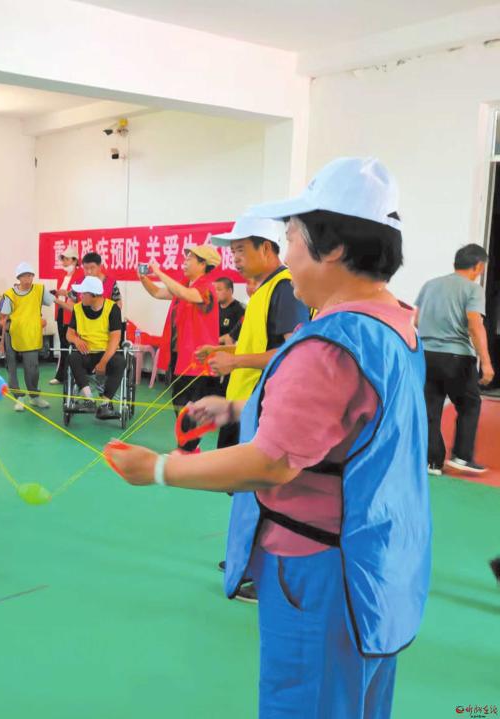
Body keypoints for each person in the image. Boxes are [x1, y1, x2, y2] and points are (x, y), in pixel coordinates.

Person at [108, 158, 430, 719]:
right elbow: (342, 420)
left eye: (292, 240)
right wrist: (238, 406)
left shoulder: (330, 343)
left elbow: (270, 463)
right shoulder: (394, 324)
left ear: (333, 248)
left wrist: (158, 468)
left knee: (308, 702)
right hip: (377, 564)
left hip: (320, 572)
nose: (287, 256)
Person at [197, 215, 310, 602]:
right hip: (246, 406)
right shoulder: (264, 291)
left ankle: (262, 574)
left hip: (266, 408)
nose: (236, 258)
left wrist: (235, 362)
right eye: (233, 252)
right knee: (247, 491)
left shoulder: (284, 289)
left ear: (267, 247)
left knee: (263, 491)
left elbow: (292, 352)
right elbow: (261, 346)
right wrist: (226, 351)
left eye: (241, 250)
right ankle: (246, 558)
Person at [415, 244, 494, 475]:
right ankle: (462, 456)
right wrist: (486, 362)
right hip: (457, 356)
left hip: (426, 354)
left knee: (431, 407)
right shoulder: (473, 289)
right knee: (469, 404)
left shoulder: (430, 285)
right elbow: (475, 325)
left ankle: (432, 462)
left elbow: (416, 320)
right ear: (478, 266)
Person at [138, 245, 221, 453]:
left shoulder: (206, 288)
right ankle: (188, 447)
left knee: (189, 406)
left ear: (203, 264)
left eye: (190, 258)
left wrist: (159, 272)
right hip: (180, 355)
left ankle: (188, 449)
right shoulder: (184, 285)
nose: (185, 261)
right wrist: (143, 279)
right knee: (179, 402)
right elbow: (157, 292)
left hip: (197, 359)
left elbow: (186, 294)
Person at [66, 276, 125, 420]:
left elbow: (115, 339)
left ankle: (105, 405)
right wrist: (76, 340)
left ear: (93, 295)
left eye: (83, 293)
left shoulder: (112, 309)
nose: (80, 296)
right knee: (73, 357)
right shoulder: (78, 308)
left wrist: (103, 362)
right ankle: (89, 401)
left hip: (107, 354)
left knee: (120, 362)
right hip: (87, 353)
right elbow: (69, 334)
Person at [0, 262, 55, 412]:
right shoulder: (9, 294)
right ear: (18, 277)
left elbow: (53, 301)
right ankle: (18, 397)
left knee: (33, 367)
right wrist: (1, 342)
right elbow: (3, 318)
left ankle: (34, 396)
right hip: (13, 334)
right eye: (25, 276)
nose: (28, 279)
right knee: (12, 368)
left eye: (30, 275)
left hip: (31, 335)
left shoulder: (39, 290)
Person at [50, 246, 83, 386]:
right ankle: (61, 375)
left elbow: (78, 296)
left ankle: (73, 375)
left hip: (73, 313)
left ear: (75, 260)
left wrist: (66, 293)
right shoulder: (62, 276)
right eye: (63, 259)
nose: (64, 262)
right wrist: (57, 293)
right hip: (61, 312)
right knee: (63, 344)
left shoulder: (81, 276)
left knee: (72, 345)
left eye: (67, 259)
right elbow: (61, 294)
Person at [214, 277, 245, 345]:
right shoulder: (213, 308)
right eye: (214, 290)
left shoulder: (240, 309)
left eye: (219, 289)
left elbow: (233, 337)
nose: (215, 292)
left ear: (230, 291)